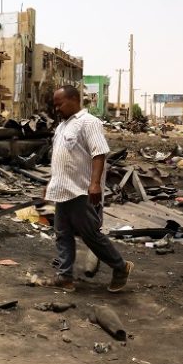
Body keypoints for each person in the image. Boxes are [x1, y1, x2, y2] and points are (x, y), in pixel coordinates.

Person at [43, 85, 134, 292]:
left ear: (75, 99)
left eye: (60, 104)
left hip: (81, 190)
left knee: (90, 235)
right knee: (62, 234)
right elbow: (61, 158)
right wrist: (51, 183)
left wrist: (94, 184)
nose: (57, 109)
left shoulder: (88, 123)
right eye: (55, 105)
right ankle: (65, 276)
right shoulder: (62, 127)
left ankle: (121, 267)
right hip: (63, 189)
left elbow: (99, 154)